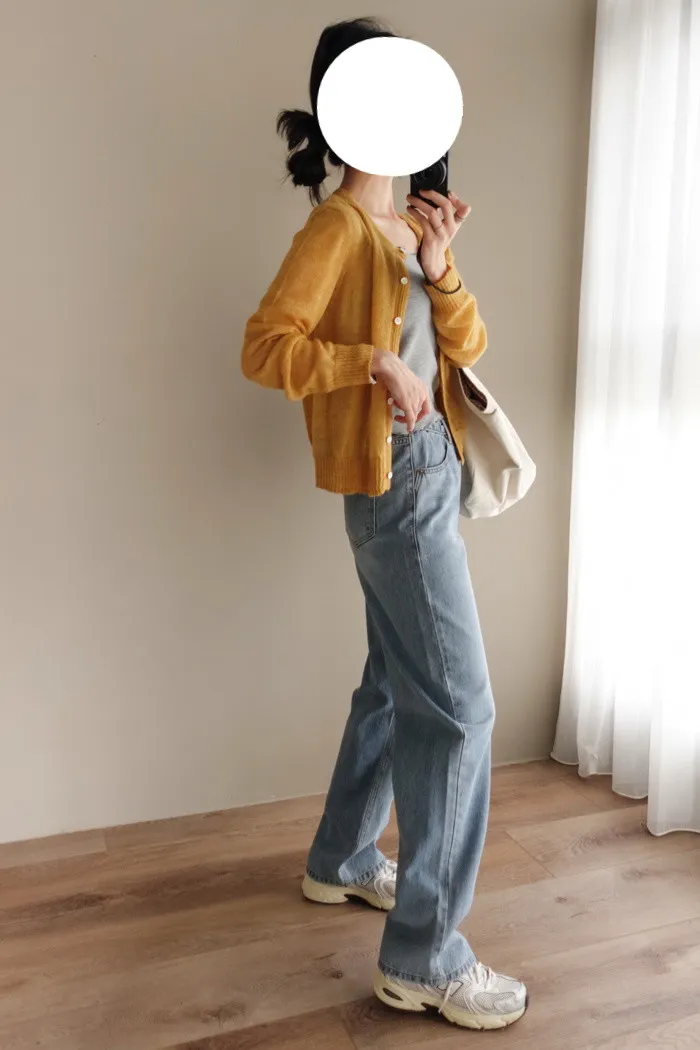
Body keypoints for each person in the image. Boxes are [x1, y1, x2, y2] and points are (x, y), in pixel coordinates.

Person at [241, 16, 527, 1032]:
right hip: (394, 483)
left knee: (394, 681)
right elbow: (265, 347)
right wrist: (367, 361)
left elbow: (469, 344)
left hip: (429, 475)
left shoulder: (405, 228)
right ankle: (424, 958)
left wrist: (441, 266)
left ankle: (342, 857)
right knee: (458, 711)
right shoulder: (335, 230)